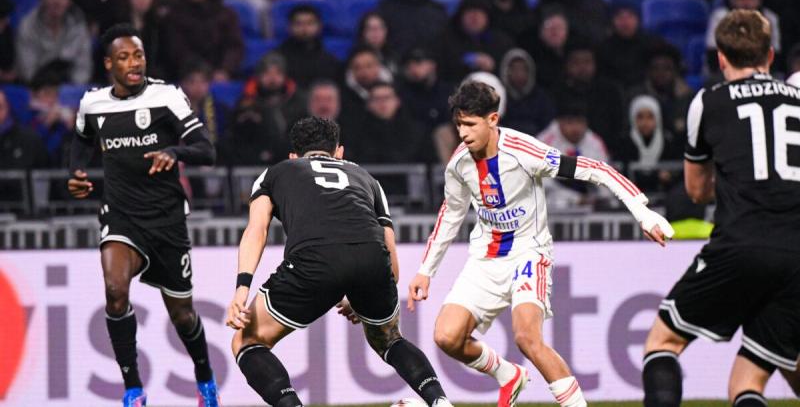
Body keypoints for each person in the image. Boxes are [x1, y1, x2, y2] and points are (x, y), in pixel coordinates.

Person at [407, 81, 673, 407]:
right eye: (459, 123)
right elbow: (450, 214)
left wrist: (642, 212)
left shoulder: (524, 152)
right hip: (485, 259)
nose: (463, 133)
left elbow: (596, 169)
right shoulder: (459, 164)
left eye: (471, 124)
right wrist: (425, 271)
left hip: (528, 253)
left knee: (527, 338)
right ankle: (508, 375)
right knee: (446, 337)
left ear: (493, 119)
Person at [225, 116, 454, 407]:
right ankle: (439, 401)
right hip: (372, 261)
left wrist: (242, 289)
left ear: (294, 156)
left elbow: (256, 230)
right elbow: (389, 254)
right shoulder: (366, 178)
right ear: (339, 152)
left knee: (247, 342)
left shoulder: (276, 172)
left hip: (313, 260)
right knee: (390, 339)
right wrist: (360, 293)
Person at [642, 9, 800, 407]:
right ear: (770, 55)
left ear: (720, 58)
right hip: (797, 253)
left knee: (663, 343)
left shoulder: (708, 102)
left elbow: (696, 191)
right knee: (747, 383)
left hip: (740, 244)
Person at [66, 24, 220, 407]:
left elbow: (206, 149)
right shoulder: (93, 104)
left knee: (183, 316)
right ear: (108, 64)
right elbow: (81, 141)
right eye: (124, 57)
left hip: (166, 220)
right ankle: (133, 389)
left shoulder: (166, 96)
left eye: (138, 55)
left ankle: (205, 378)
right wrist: (77, 174)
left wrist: (176, 153)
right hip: (121, 216)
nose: (134, 63)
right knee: (115, 292)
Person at [15, 0, 92, 84]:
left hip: (70, 88)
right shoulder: (27, 26)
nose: (57, 1)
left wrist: (71, 90)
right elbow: (27, 71)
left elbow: (83, 67)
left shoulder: (78, 25)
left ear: (70, 1)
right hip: (36, 87)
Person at [276, 4, 341, 88]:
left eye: (310, 23)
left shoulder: (330, 61)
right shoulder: (278, 59)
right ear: (289, 27)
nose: (304, 28)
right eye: (298, 24)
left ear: (319, 27)